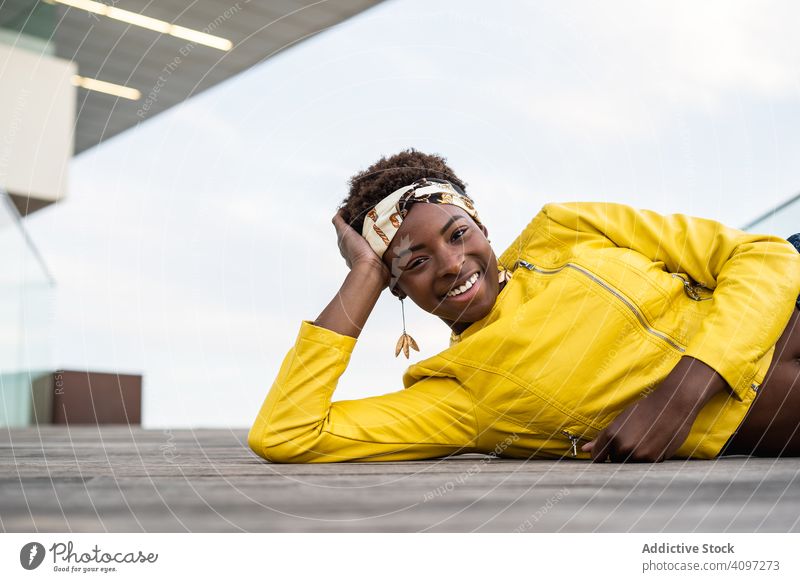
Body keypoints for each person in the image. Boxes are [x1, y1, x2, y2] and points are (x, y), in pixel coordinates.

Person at [248, 149, 800, 464]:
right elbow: (288, 433)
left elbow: (762, 256)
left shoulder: (566, 228)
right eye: (414, 263)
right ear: (396, 289)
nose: (450, 263)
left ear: (481, 225)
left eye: (458, 233)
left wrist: (681, 392)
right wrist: (364, 276)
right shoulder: (459, 395)